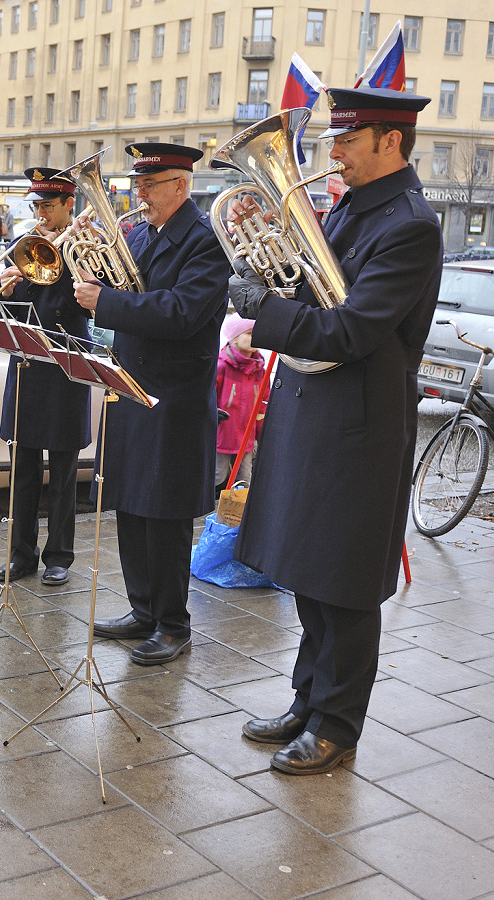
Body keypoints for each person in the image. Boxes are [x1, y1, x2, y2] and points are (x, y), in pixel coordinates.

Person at [230, 88, 442, 775]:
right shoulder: (353, 206)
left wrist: (265, 312)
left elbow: (350, 331)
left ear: (390, 141)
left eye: (347, 140)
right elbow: (311, 295)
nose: (333, 153)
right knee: (308, 570)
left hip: (359, 424)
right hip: (313, 408)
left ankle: (337, 724)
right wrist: (263, 282)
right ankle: (307, 701)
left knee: (344, 583)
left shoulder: (410, 226)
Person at [74, 142, 231, 665]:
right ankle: (142, 609)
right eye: (136, 185)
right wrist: (89, 263)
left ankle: (173, 624)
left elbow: (180, 312)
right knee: (131, 504)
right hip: (131, 387)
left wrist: (107, 301)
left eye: (148, 185)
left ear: (180, 185)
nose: (138, 195)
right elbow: (122, 290)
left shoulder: (205, 240)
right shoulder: (140, 234)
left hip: (174, 395)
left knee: (164, 514)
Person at [0, 168, 91, 585]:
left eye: (49, 206)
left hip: (65, 368)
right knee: (22, 469)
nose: (41, 214)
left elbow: (92, 305)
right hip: (26, 367)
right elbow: (1, 315)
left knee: (64, 470)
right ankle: (21, 554)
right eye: (37, 207)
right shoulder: (21, 246)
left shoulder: (86, 247)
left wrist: (68, 255)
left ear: (70, 204)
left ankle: (59, 556)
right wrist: (4, 290)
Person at [214, 314, 269, 489]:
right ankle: (211, 503)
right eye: (249, 333)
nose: (254, 337)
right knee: (218, 475)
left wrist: (261, 434)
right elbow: (211, 396)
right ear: (235, 338)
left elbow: (263, 403)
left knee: (244, 478)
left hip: (246, 436)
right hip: (222, 435)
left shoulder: (259, 370)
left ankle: (238, 506)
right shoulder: (221, 367)